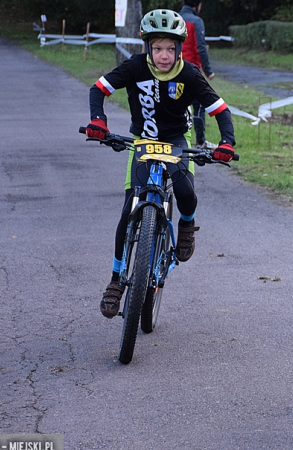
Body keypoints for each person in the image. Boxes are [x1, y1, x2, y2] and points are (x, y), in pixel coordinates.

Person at [85, 9, 236, 318]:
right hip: (142, 141)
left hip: (177, 141)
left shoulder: (190, 74)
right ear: (147, 47)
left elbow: (220, 110)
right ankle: (116, 280)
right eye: (157, 48)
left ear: (180, 48)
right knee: (129, 209)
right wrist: (98, 121)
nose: (164, 55)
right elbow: (98, 89)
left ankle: (186, 226)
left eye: (170, 48)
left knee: (185, 192)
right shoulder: (135, 67)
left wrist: (226, 143)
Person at [179, 0, 214, 149]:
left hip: (173, 68)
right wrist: (208, 70)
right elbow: (200, 47)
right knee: (198, 104)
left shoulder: (175, 18)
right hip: (191, 70)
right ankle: (200, 141)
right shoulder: (196, 21)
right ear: (197, 5)